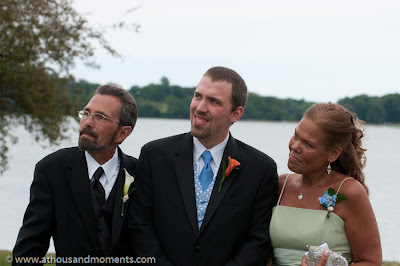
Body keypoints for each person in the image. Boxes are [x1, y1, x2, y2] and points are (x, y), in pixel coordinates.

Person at [128, 66, 278, 266]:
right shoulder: (154, 156)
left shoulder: (261, 169)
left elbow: (258, 241)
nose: (200, 107)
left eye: (213, 101)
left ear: (235, 114)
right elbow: (140, 225)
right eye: (198, 96)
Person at [13, 85, 138, 264]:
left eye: (99, 117)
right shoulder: (52, 170)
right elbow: (30, 247)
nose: (87, 122)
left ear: (123, 133)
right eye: (86, 113)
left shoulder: (139, 174)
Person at [269, 102, 382, 265]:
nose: (294, 146)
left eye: (308, 144)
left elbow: (371, 262)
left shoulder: (350, 191)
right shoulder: (280, 184)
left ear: (333, 153)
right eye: (296, 135)